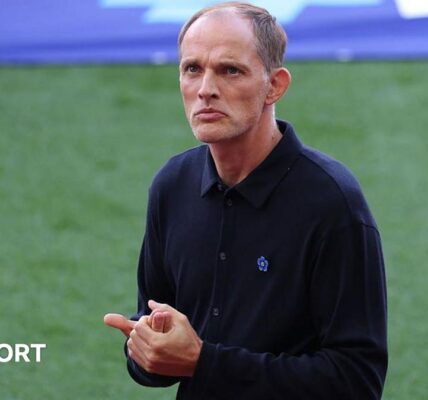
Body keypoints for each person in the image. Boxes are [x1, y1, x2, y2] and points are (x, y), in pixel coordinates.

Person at [104, 2, 388, 399]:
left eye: (230, 70)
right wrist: (147, 350)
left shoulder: (332, 203)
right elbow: (156, 326)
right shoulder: (172, 185)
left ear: (275, 85)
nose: (205, 89)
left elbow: (358, 380)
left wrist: (203, 362)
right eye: (192, 69)